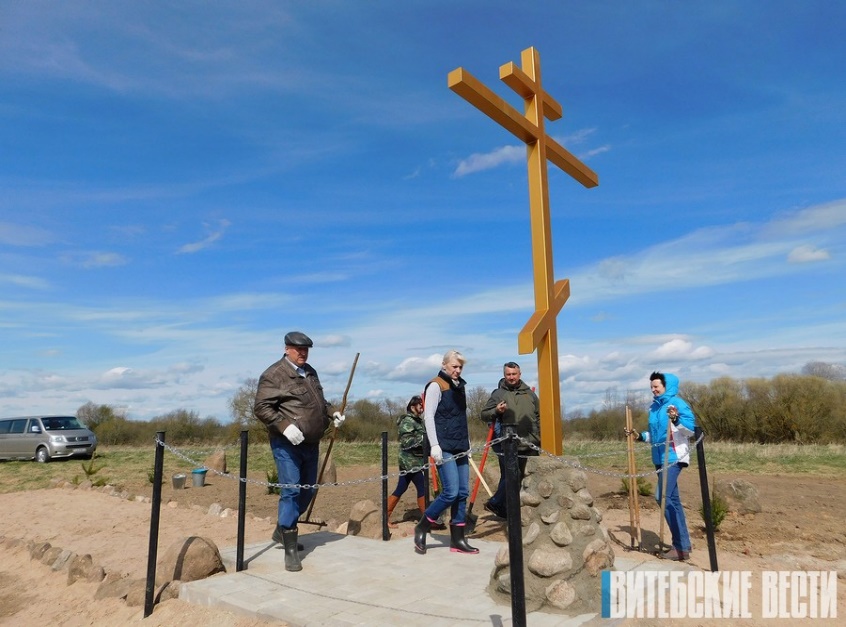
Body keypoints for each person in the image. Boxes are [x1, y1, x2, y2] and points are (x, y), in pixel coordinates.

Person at [253, 331, 345, 572]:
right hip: (287, 445)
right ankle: (291, 548)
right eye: (298, 349)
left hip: (311, 443)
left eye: (305, 350)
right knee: (292, 491)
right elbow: (261, 407)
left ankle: (282, 529)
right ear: (287, 349)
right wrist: (284, 426)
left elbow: (319, 402)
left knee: (308, 490)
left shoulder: (310, 372)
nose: (303, 353)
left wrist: (332, 413)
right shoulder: (274, 374)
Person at [625, 371, 695, 561]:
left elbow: (690, 430)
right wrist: (640, 436)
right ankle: (684, 545)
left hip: (673, 456)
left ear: (666, 386)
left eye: (656, 386)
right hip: (659, 457)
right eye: (651, 387)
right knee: (673, 500)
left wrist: (676, 419)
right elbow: (655, 435)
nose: (653, 390)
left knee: (662, 497)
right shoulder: (654, 408)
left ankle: (679, 546)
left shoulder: (677, 404)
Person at [414, 350, 478, 555]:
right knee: (451, 491)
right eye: (454, 366)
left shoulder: (460, 387)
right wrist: (434, 445)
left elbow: (461, 417)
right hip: (444, 446)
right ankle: (422, 526)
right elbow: (429, 417)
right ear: (444, 365)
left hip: (460, 445)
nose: (457, 370)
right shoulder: (436, 385)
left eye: (460, 367)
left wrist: (467, 443)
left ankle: (457, 540)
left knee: (463, 493)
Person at [480, 361, 541, 520]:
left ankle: (509, 509)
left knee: (525, 478)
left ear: (520, 374)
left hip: (532, 443)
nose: (511, 377)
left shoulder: (530, 394)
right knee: (512, 476)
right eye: (508, 374)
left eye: (514, 374)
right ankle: (497, 503)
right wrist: (496, 410)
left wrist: (540, 436)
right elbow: (484, 415)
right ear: (504, 375)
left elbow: (539, 416)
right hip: (509, 444)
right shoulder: (498, 394)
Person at [386, 395, 427, 527]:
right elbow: (407, 441)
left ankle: (384, 517)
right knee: (422, 486)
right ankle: (427, 520)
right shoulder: (408, 421)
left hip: (415, 460)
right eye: (420, 405)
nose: (422, 408)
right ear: (412, 407)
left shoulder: (418, 421)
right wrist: (423, 439)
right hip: (409, 461)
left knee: (401, 487)